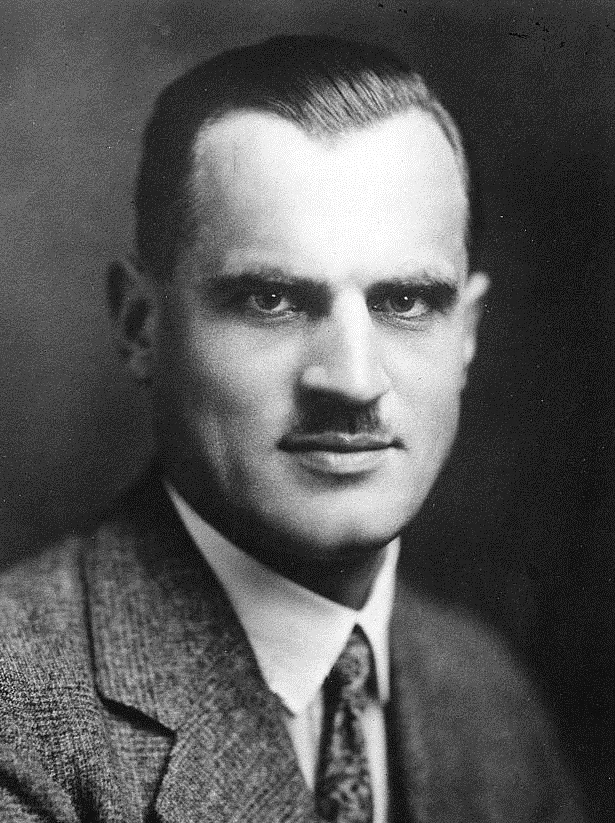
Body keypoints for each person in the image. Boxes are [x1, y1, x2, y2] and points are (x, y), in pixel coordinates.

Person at [0, 35, 584, 823]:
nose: (352, 379)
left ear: (467, 335)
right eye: (270, 300)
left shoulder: (483, 693)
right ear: (140, 325)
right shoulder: (19, 712)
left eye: (405, 301)